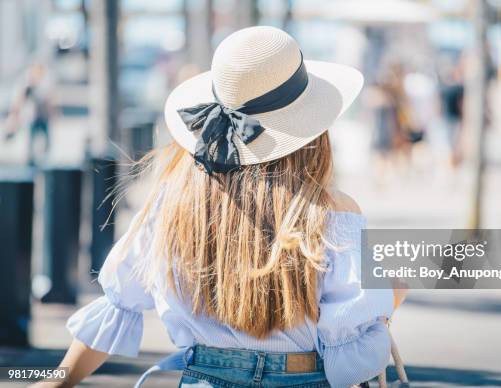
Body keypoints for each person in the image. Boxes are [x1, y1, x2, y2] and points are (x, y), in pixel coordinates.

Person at [35, 27, 393, 388]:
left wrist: (57, 381)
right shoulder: (334, 212)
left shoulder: (174, 204)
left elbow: (120, 299)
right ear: (313, 134)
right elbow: (350, 348)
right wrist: (389, 298)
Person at [4, 63, 54, 165]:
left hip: (43, 117)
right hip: (32, 117)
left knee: (46, 142)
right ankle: (31, 161)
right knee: (32, 141)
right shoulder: (28, 85)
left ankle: (43, 160)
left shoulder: (44, 84)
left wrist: (52, 113)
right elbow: (20, 100)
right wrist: (15, 115)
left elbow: (49, 100)